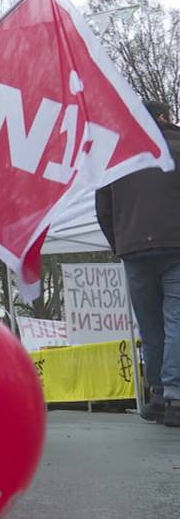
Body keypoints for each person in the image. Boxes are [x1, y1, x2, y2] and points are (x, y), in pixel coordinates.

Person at [96, 100, 180, 427]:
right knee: (175, 319)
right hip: (175, 245)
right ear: (164, 117)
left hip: (134, 250)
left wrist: (120, 243)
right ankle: (174, 395)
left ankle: (158, 393)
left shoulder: (117, 155)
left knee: (151, 325)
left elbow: (103, 209)